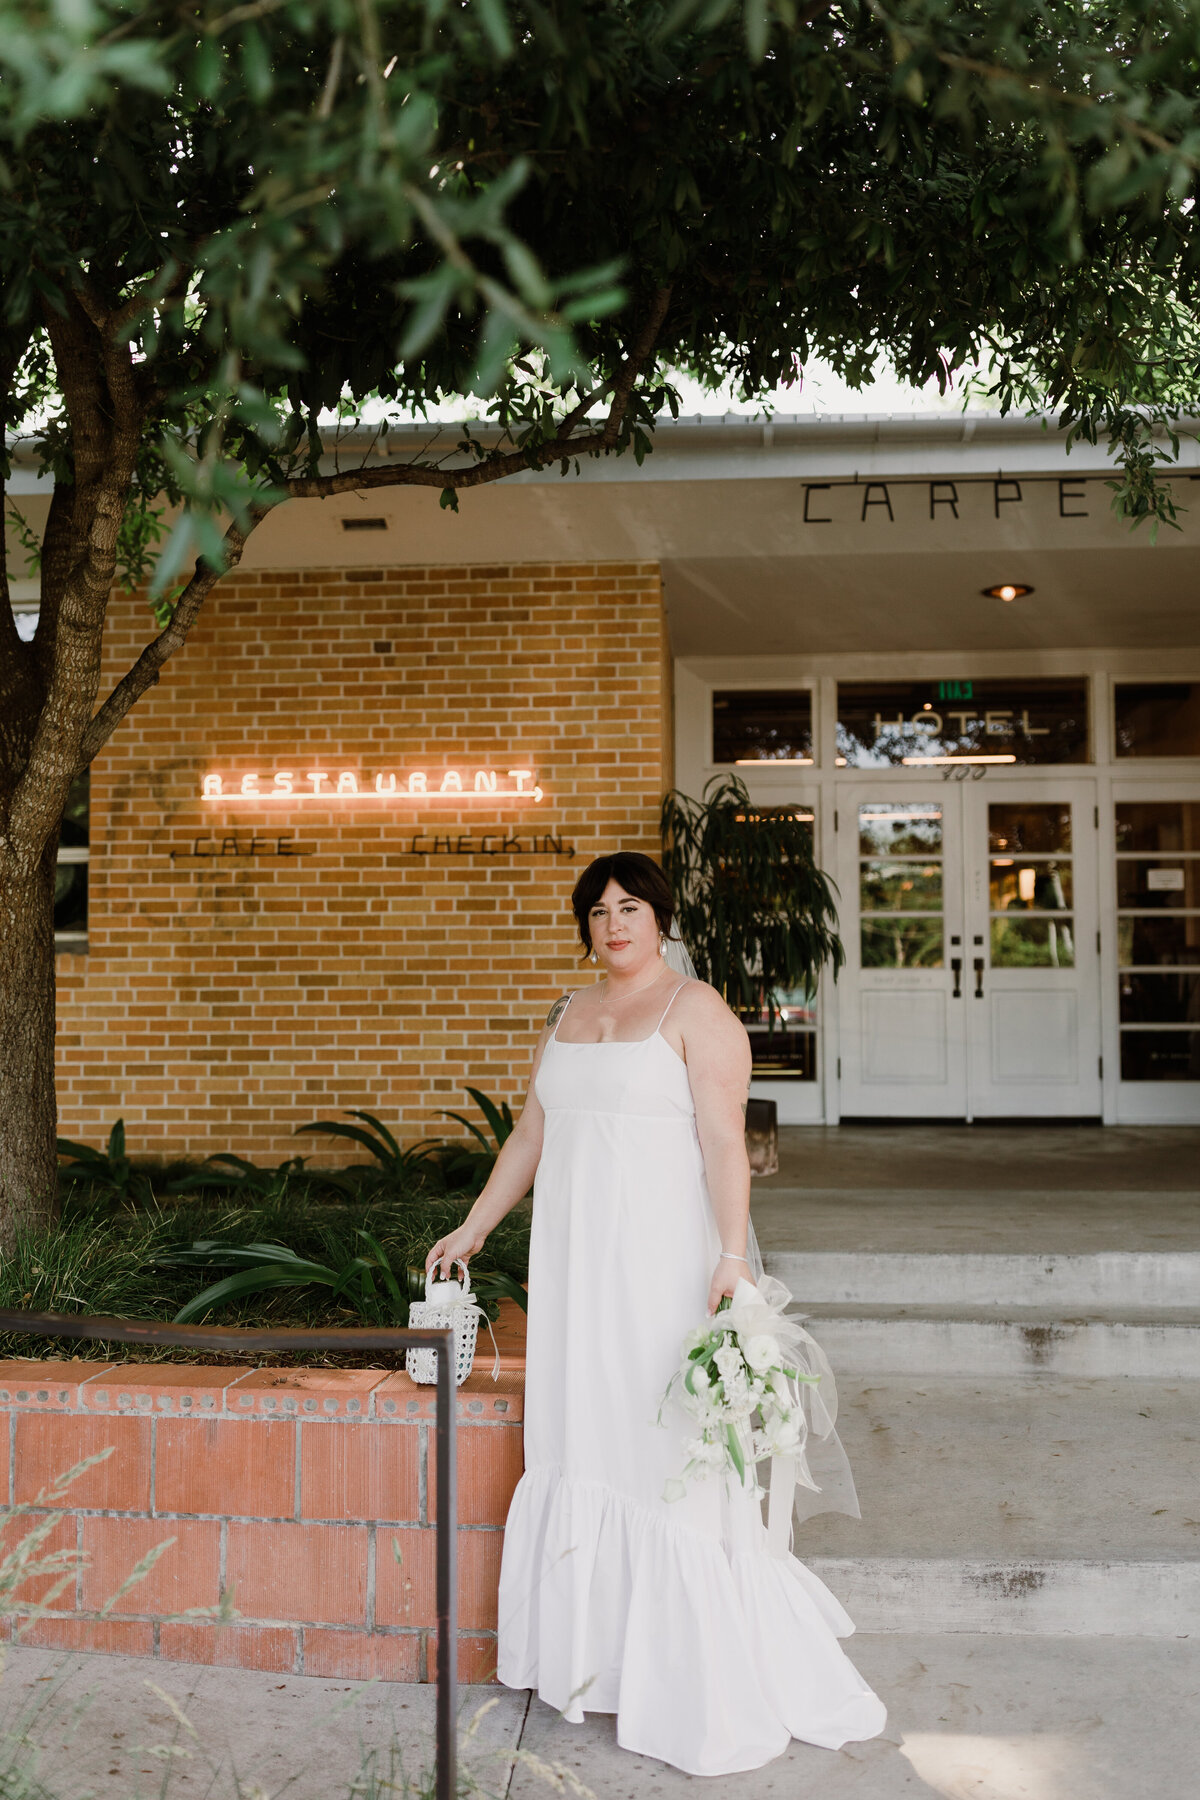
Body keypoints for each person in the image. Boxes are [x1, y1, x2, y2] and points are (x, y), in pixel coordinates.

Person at [425, 850, 886, 1776]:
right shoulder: (568, 1013)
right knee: (580, 1440)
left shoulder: (698, 1013)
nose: (613, 924)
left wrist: (728, 1256)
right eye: (597, 911)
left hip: (658, 1267)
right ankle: (587, 1663)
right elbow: (534, 1131)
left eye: (630, 907)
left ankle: (680, 1675)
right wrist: (475, 1226)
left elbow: (726, 1145)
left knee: (656, 1447)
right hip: (573, 1270)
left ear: (661, 916)